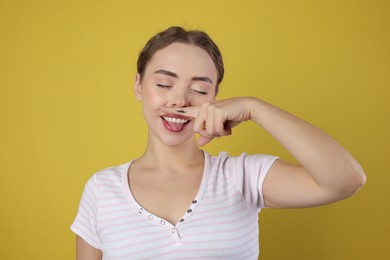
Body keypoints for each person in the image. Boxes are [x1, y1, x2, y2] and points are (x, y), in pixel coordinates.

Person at [71, 26, 366, 259]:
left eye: (199, 89)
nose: (179, 100)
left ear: (215, 98)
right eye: (163, 84)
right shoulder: (101, 190)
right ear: (138, 85)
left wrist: (254, 108)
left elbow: (345, 179)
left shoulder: (241, 177)